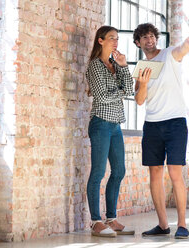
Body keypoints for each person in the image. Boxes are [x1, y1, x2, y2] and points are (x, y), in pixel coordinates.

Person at [133, 23, 189, 239]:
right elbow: (140, 101)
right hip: (152, 124)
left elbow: (180, 50)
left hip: (175, 123)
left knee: (175, 172)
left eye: (152, 36)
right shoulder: (141, 67)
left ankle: (182, 224)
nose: (149, 40)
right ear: (138, 43)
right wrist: (142, 83)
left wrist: (187, 44)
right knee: (155, 173)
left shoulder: (169, 54)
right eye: (144, 37)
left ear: (156, 38)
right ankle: (162, 225)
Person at [85, 25, 136, 237]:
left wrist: (124, 66)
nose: (116, 41)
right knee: (98, 172)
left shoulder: (115, 64)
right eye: (111, 38)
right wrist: (121, 91)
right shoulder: (95, 66)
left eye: (117, 38)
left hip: (115, 125)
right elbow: (102, 97)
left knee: (119, 171)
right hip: (100, 123)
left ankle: (111, 219)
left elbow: (131, 90)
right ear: (100, 40)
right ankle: (96, 222)